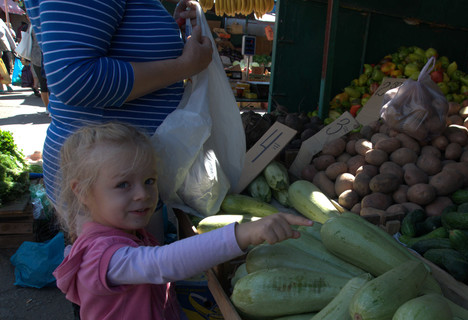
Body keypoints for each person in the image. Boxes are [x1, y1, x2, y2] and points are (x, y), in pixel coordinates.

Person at [52, 122, 313, 320]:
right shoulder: (101, 257)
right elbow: (162, 263)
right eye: (123, 185)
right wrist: (242, 234)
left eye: (149, 181)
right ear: (83, 192)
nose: (143, 194)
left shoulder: (121, 232)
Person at [23, 0, 213, 240]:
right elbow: (74, 78)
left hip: (122, 177)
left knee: (140, 272)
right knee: (123, 271)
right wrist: (185, 66)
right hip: (107, 178)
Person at [0, 18, 15, 92]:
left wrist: (14, 48)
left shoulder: (1, 21)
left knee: (7, 67)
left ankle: (8, 84)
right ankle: (1, 87)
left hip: (5, 48)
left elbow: (8, 35)